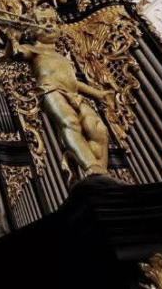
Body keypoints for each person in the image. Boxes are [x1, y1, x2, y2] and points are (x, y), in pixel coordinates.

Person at [8, 27, 115, 178]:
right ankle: (91, 166)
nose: (49, 25)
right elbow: (15, 53)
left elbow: (73, 82)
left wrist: (98, 93)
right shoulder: (32, 49)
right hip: (50, 90)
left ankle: (101, 172)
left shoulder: (62, 57)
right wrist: (13, 39)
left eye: (52, 21)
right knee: (70, 122)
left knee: (98, 128)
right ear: (32, 30)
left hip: (73, 93)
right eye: (43, 22)